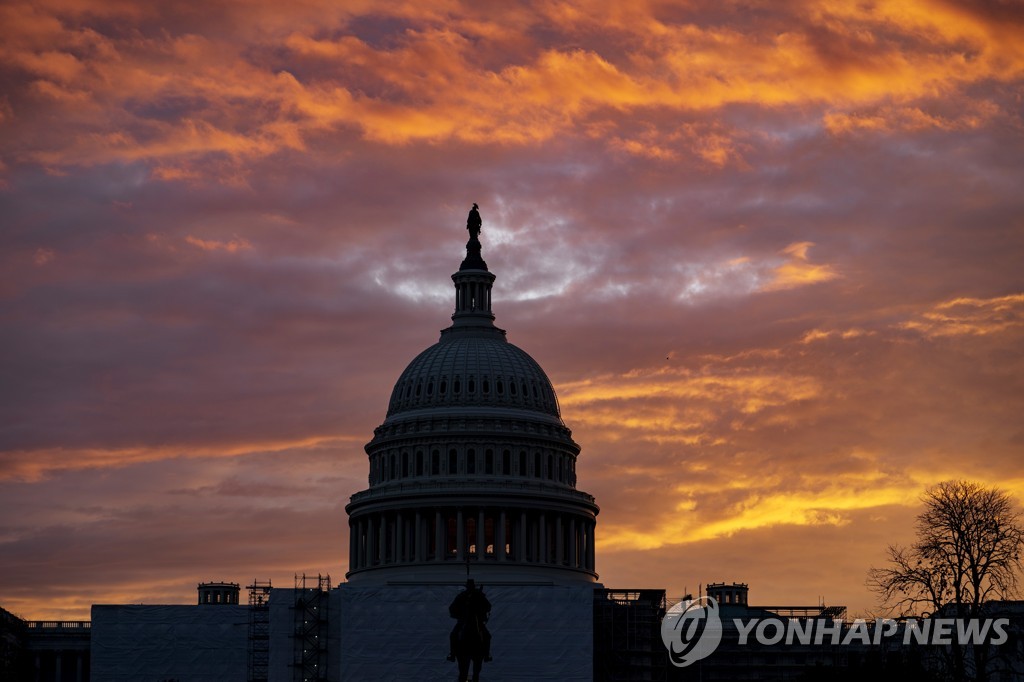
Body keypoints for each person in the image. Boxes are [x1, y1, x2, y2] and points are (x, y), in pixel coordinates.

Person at [447, 579, 492, 662]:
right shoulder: (461, 596)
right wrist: (459, 615)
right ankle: (452, 654)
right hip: (463, 621)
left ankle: (486, 654)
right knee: (453, 635)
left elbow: (488, 606)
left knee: (487, 636)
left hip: (477, 622)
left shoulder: (479, 595)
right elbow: (451, 608)